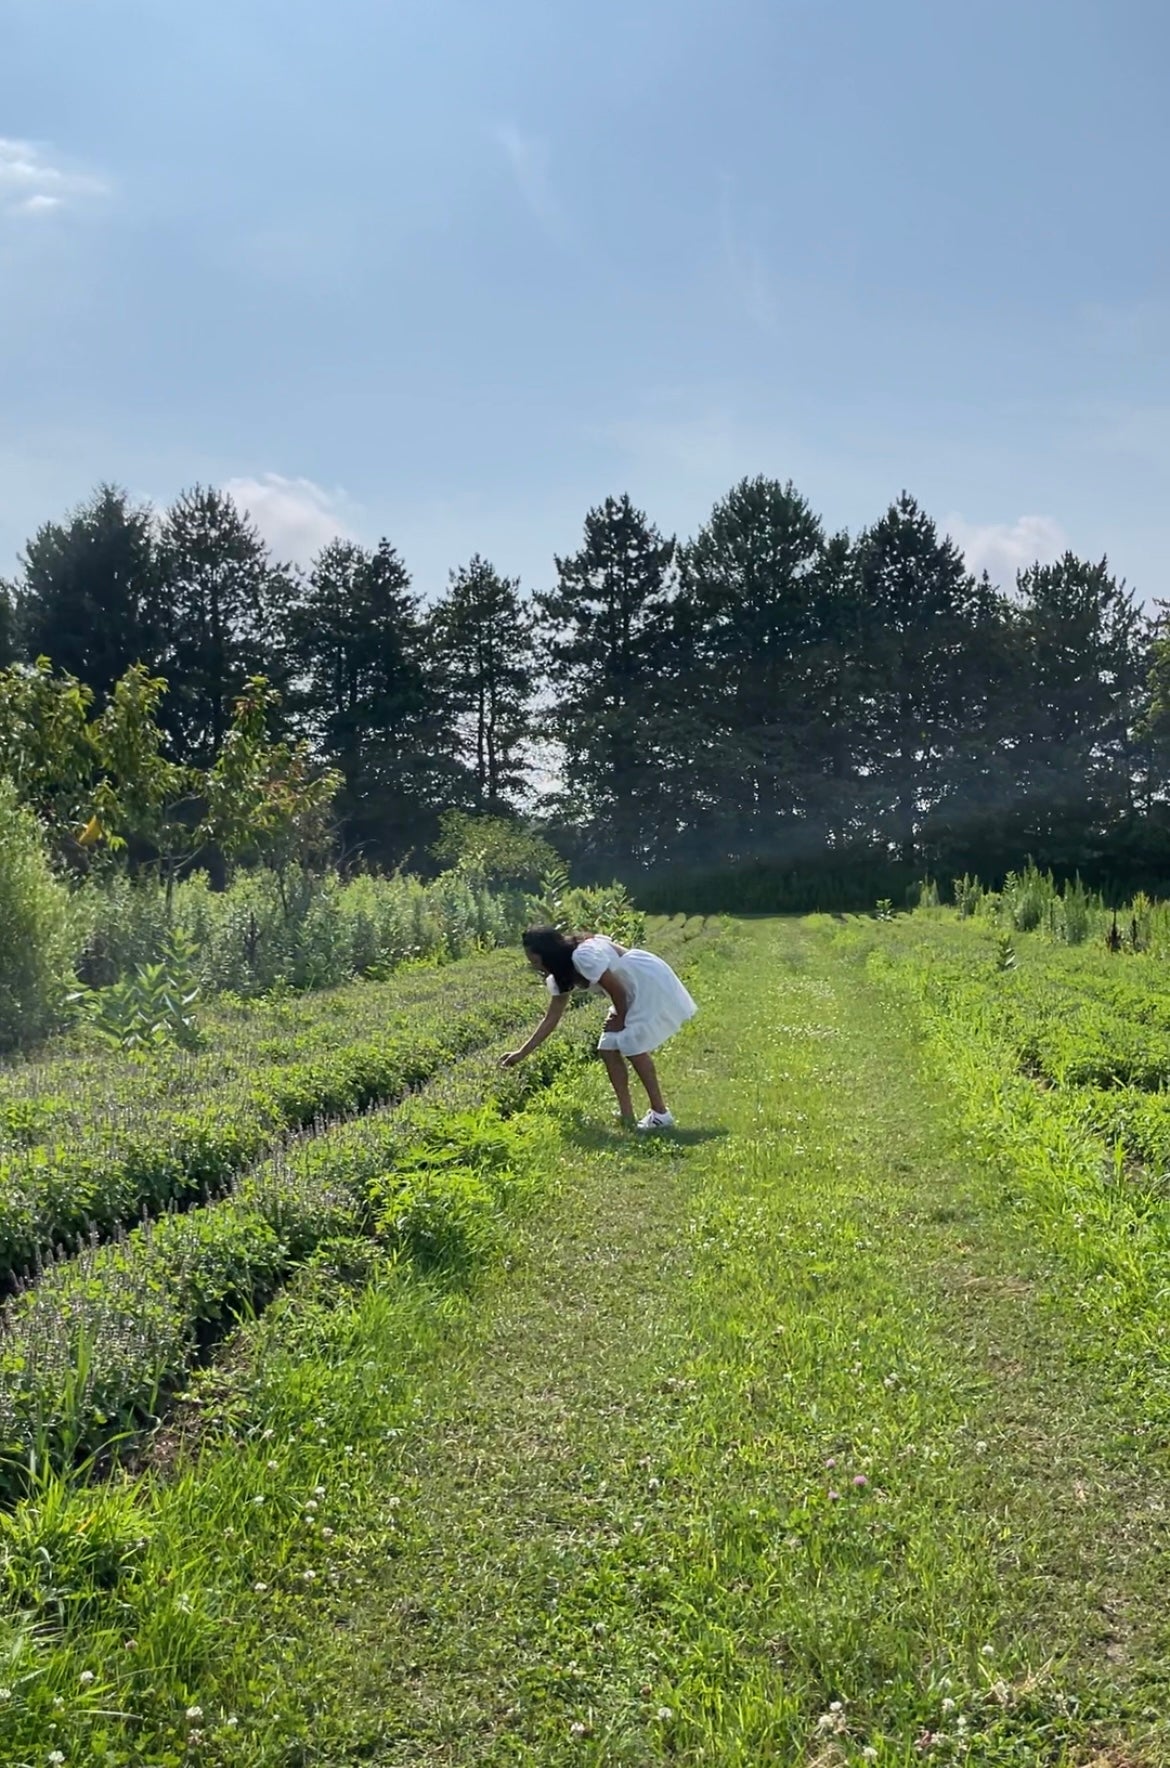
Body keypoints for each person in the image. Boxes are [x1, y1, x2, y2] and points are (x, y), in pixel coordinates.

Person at [501, 925, 697, 1130]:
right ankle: (627, 1115)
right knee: (608, 1048)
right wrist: (520, 1053)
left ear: (548, 955)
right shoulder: (561, 974)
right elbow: (551, 1018)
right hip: (628, 988)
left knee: (632, 1044)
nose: (535, 967)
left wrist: (621, 1018)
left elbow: (617, 989)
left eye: (535, 961)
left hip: (642, 980)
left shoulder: (582, 956)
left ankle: (660, 1114)